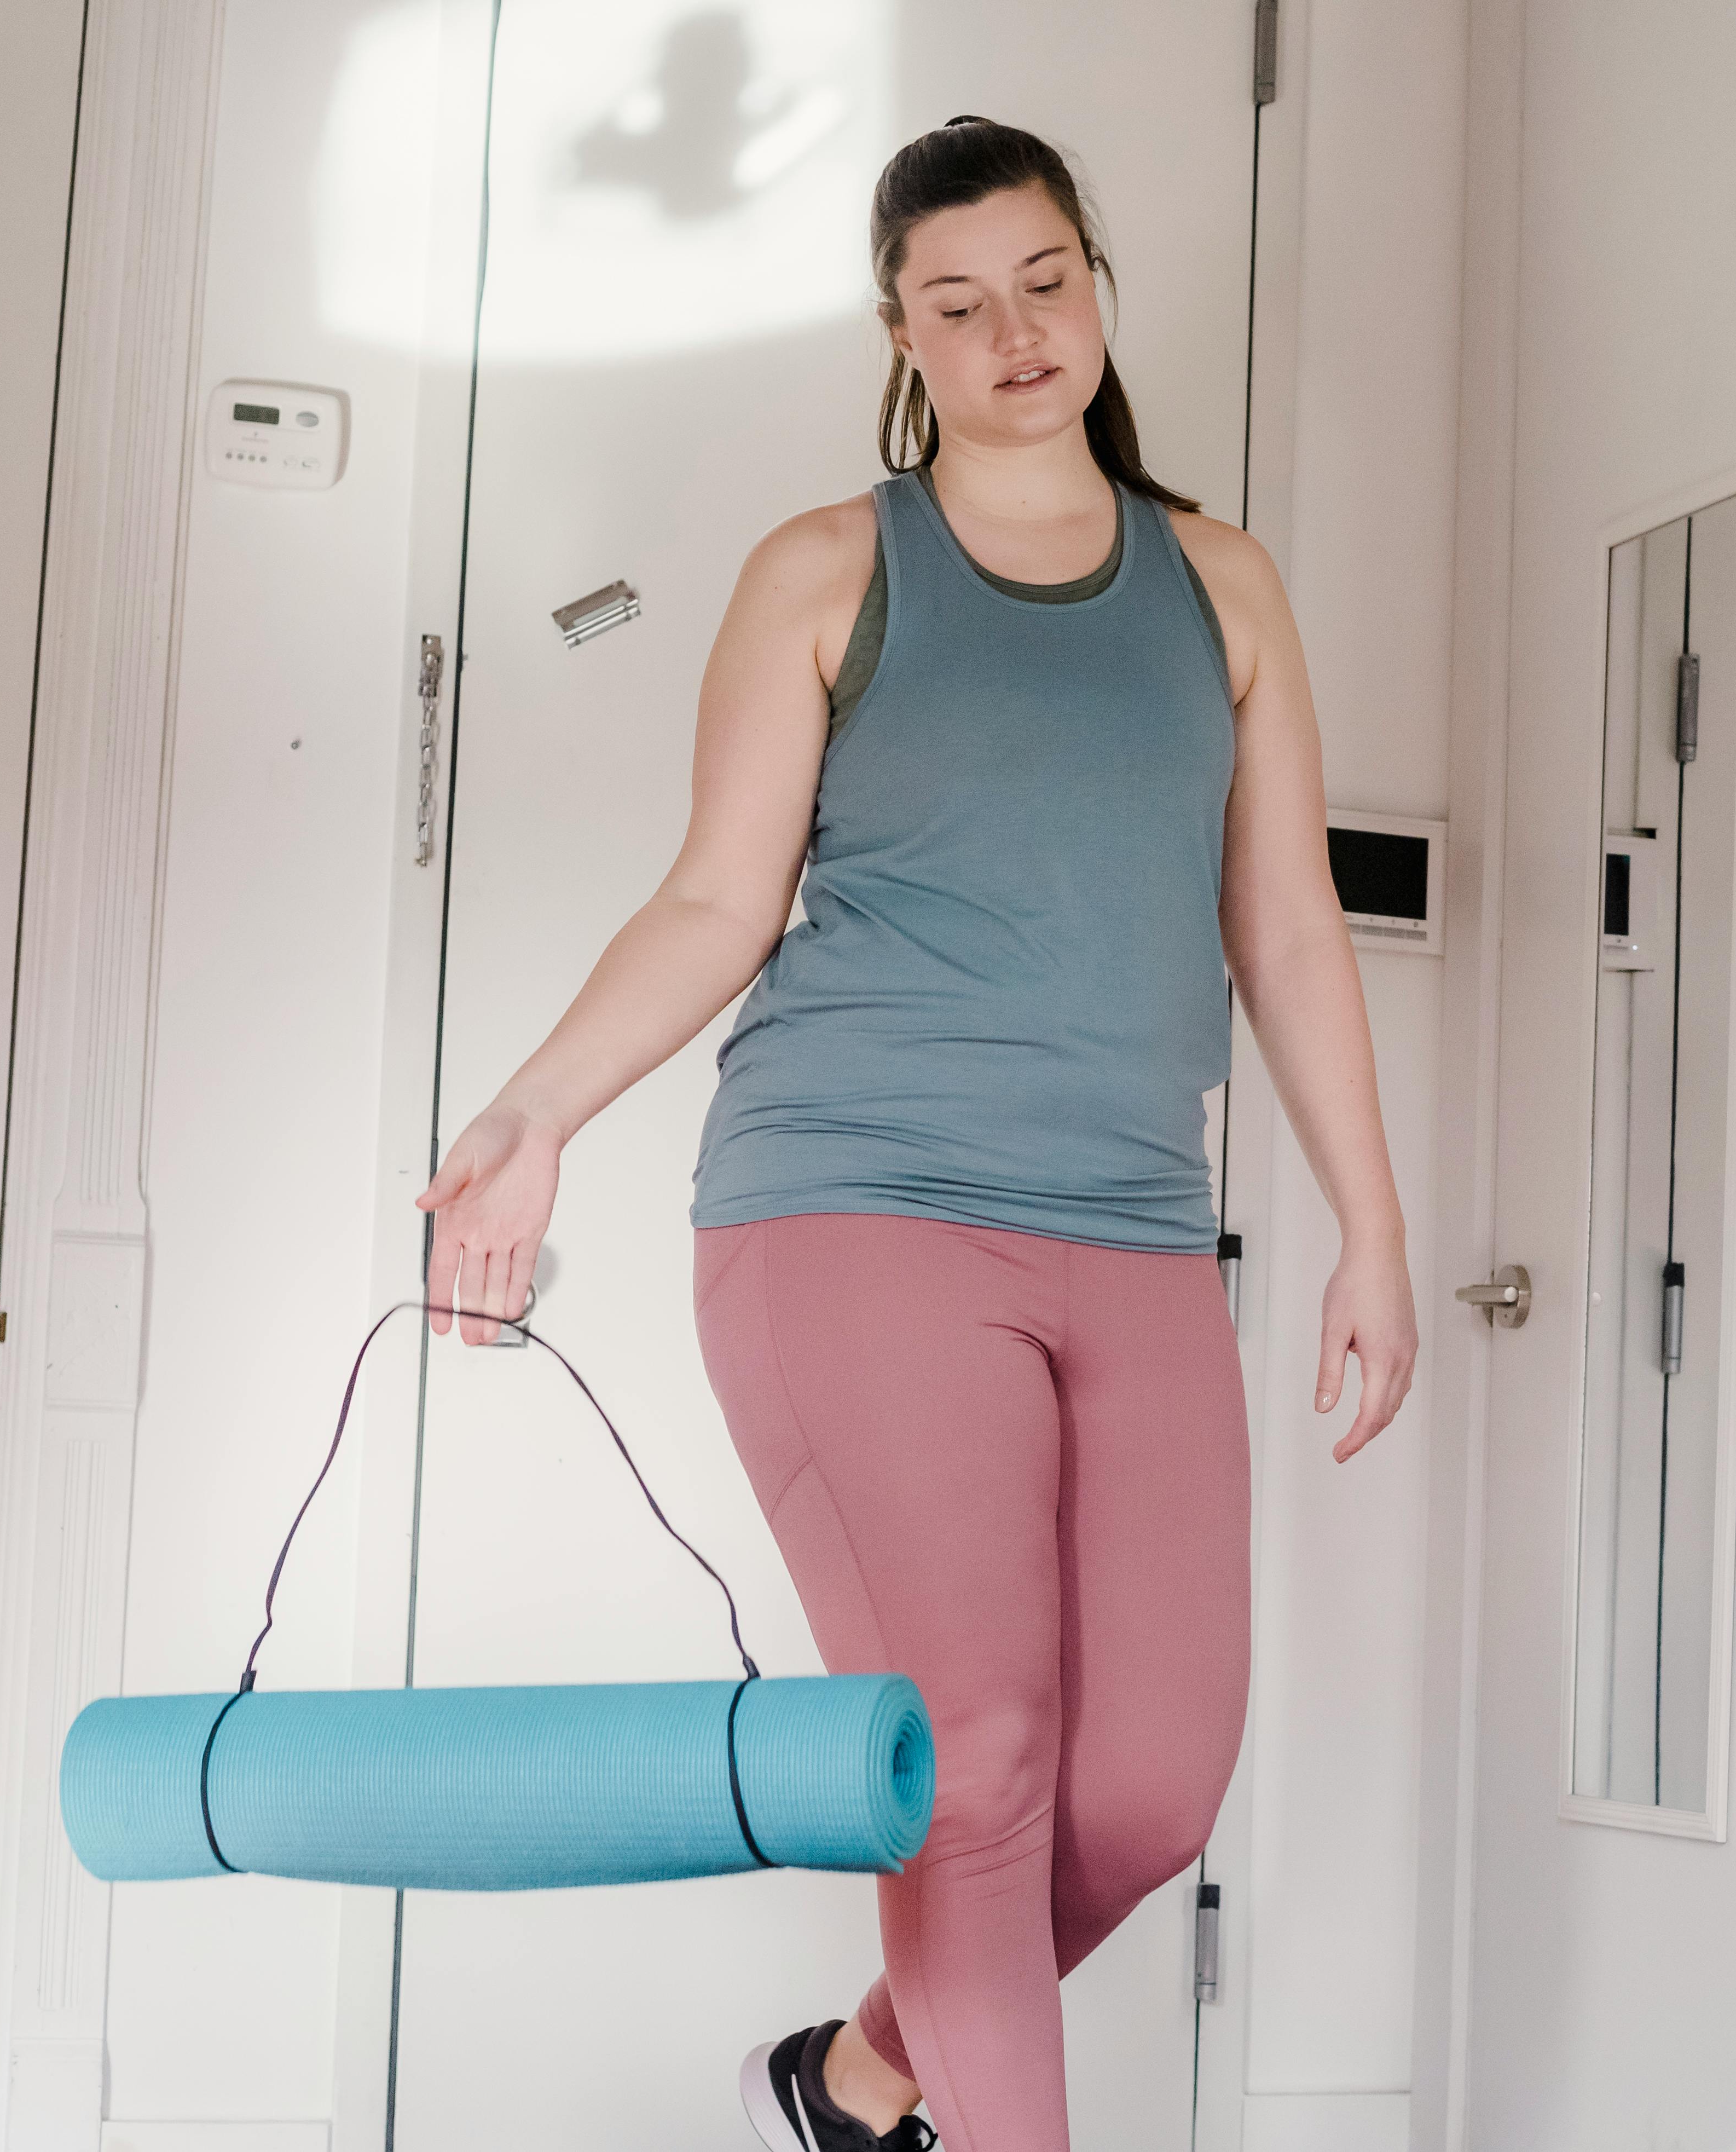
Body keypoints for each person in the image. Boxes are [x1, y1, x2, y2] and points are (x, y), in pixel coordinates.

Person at [415, 116, 1415, 2152]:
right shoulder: (832, 571)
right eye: (959, 303)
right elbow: (718, 898)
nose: (1015, 330)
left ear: (1097, 284)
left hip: (1131, 1229)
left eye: (1046, 279)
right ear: (905, 334)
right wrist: (534, 1111)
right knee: (977, 1761)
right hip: (849, 1209)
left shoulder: (1220, 586)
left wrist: (1375, 1232)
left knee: (1143, 1789)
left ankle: (862, 2079)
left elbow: (1291, 927)